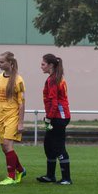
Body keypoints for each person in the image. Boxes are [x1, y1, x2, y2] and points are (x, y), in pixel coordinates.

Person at [0, 51, 27, 185]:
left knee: (7, 144)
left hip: (13, 116)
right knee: (4, 148)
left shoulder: (18, 80)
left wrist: (20, 122)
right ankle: (20, 169)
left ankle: (11, 176)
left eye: (2, 62)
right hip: (1, 117)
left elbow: (22, 103)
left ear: (10, 63)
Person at [38, 53, 73, 185]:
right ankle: (50, 176)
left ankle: (66, 178)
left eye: (43, 64)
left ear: (50, 65)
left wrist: (48, 118)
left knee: (58, 147)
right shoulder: (54, 78)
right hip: (57, 116)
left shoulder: (53, 80)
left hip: (58, 117)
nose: (41, 66)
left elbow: (54, 102)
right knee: (48, 145)